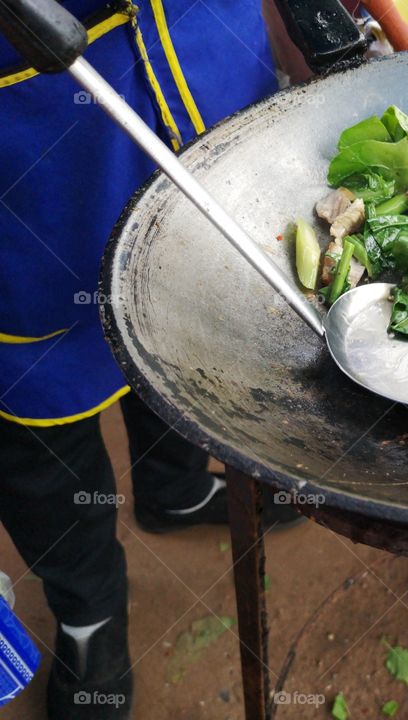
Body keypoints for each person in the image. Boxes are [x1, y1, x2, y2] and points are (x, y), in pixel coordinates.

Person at [0, 2, 313, 717]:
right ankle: (89, 614)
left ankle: (172, 487)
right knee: (37, 407)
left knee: (188, 315)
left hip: (204, 60)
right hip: (32, 127)